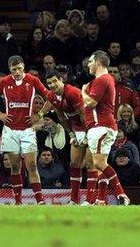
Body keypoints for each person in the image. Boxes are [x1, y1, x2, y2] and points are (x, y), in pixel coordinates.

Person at [0, 55, 50, 205]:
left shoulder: (33, 80)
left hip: (27, 129)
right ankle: (18, 201)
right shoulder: (4, 82)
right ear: (10, 69)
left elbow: (50, 97)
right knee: (15, 166)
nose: (17, 72)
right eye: (14, 69)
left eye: (19, 69)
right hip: (10, 129)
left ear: (23, 67)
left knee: (32, 165)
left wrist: (39, 114)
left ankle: (40, 201)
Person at [81, 50, 130, 205]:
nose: (88, 64)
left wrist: (83, 91)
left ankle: (122, 195)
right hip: (104, 126)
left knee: (98, 163)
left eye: (90, 61)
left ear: (98, 62)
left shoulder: (102, 79)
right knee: (102, 164)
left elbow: (91, 103)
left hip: (100, 125)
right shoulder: (107, 79)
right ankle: (101, 199)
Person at [44, 70, 92, 205]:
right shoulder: (51, 96)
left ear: (61, 80)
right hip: (76, 129)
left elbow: (83, 116)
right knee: (74, 164)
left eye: (54, 81)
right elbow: (60, 117)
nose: (52, 85)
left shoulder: (72, 93)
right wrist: (71, 134)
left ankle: (91, 199)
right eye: (49, 83)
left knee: (90, 165)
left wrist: (88, 134)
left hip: (90, 125)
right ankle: (74, 200)